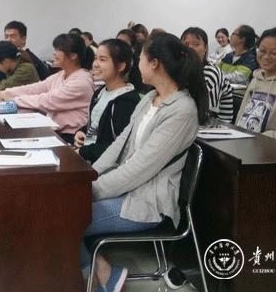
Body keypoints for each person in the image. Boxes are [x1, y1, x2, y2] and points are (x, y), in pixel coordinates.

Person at [80, 33, 208, 292]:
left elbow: (140, 168)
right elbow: (119, 146)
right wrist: (89, 177)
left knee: (64, 217)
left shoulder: (182, 110)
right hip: (127, 191)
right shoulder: (150, 99)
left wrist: (91, 190)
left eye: (140, 58)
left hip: (147, 202)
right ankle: (101, 273)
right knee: (64, 208)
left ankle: (96, 277)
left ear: (154, 64)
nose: (137, 63)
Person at [0, 33, 94, 144]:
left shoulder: (81, 82)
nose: (54, 53)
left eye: (58, 50)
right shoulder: (62, 74)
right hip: (55, 131)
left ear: (73, 56)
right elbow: (36, 88)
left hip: (71, 137)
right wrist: (2, 93)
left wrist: (12, 99)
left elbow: (47, 101)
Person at [74, 39, 140, 163]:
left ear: (121, 66)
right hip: (89, 158)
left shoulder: (125, 102)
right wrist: (82, 132)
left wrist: (84, 152)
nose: (95, 64)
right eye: (95, 58)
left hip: (104, 167)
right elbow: (96, 124)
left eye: (102, 59)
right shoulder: (100, 92)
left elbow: (119, 148)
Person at [182, 27, 234, 122]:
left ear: (205, 48)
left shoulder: (211, 72)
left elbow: (206, 112)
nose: (190, 48)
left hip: (217, 125)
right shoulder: (184, 70)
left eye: (196, 44)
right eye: (186, 44)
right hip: (190, 120)